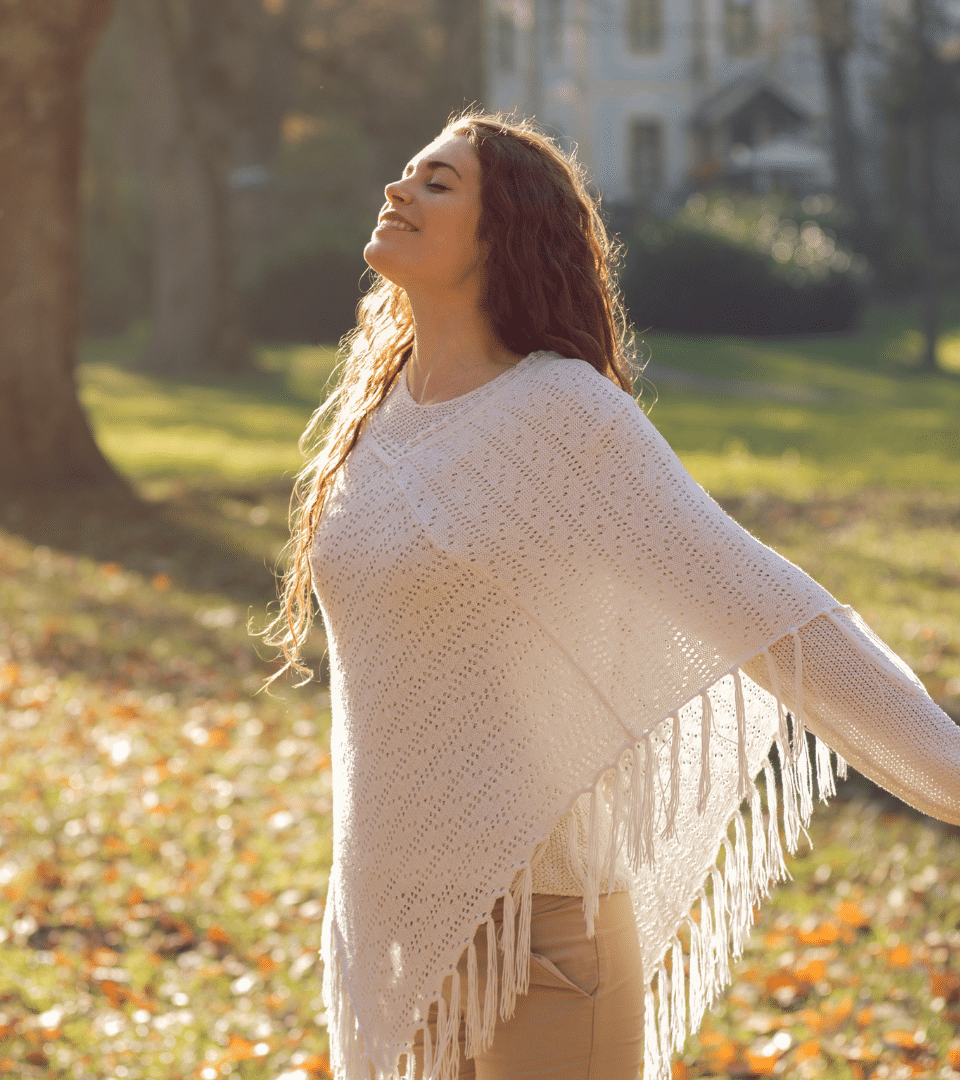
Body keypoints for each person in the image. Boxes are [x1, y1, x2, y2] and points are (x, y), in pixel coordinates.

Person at [264, 112, 960, 1080]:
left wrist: (949, 770)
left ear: (505, 230)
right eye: (407, 170)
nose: (399, 190)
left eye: (438, 183)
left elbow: (764, 605)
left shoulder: (565, 416)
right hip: (387, 924)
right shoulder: (371, 417)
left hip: (542, 942)